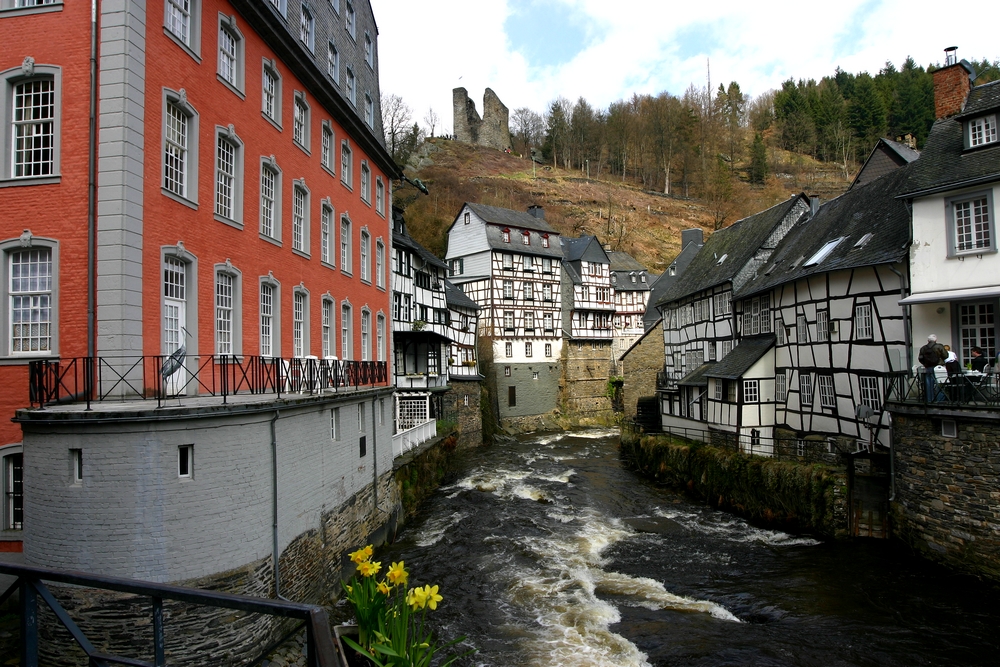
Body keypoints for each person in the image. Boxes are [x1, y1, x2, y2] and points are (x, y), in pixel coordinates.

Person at [918, 334, 945, 401]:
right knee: (939, 382)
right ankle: (939, 400)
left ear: (928, 340)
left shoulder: (923, 348)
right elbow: (946, 355)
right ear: (935, 340)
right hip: (938, 367)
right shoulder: (939, 346)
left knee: (928, 384)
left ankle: (930, 399)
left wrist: (924, 364)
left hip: (928, 367)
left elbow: (920, 358)